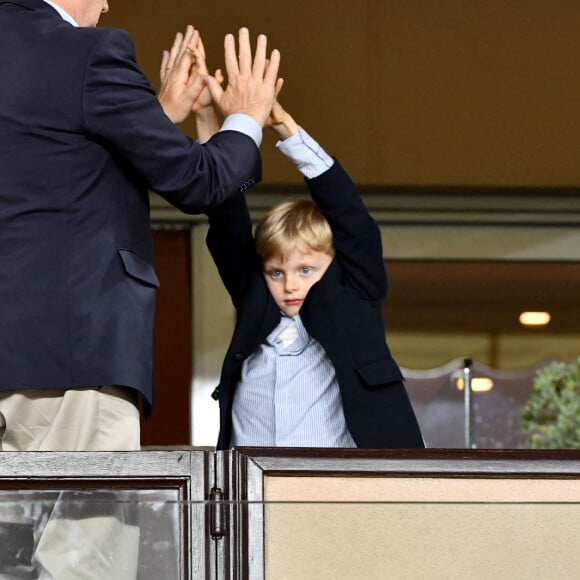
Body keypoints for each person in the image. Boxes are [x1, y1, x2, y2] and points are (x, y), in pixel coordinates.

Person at [0, 0, 280, 453]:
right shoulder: (87, 52)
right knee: (85, 524)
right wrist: (246, 119)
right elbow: (198, 180)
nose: (107, 4)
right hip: (70, 363)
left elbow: (48, 162)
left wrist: (155, 119)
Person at [194, 61, 424, 449]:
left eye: (305, 269)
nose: (291, 285)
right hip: (251, 491)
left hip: (336, 491)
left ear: (335, 265)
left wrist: (285, 127)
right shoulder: (256, 304)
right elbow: (227, 222)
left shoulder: (355, 297)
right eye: (276, 272)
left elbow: (353, 221)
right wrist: (205, 120)